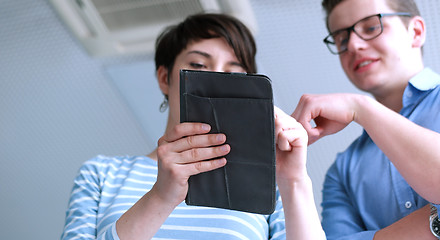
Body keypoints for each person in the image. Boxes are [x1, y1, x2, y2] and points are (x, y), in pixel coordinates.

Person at [61, 13, 324, 240]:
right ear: (165, 78)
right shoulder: (101, 173)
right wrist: (161, 197)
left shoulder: (269, 184)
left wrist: (293, 180)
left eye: (234, 73)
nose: (216, 78)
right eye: (198, 65)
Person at [291, 0, 440, 239]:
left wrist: (361, 108)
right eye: (342, 40)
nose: (354, 46)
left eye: (370, 28)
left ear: (416, 32)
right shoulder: (342, 172)